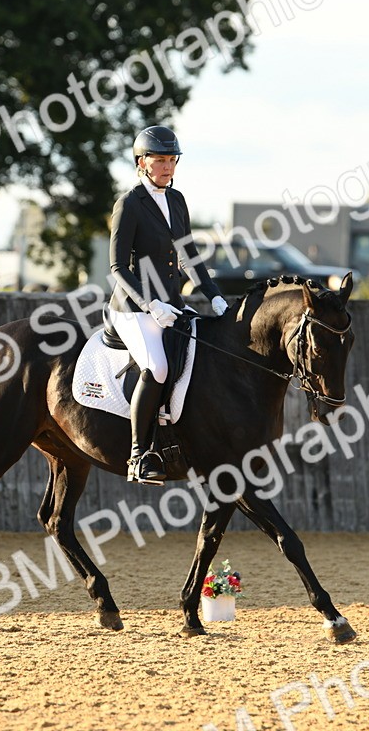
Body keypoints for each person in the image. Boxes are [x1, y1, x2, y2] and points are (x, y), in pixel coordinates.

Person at [108, 125, 228, 485]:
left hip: (172, 303)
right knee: (158, 367)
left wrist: (214, 294)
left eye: (171, 159)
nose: (167, 167)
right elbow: (117, 267)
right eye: (159, 160)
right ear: (141, 162)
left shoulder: (177, 201)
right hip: (132, 308)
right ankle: (137, 456)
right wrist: (150, 304)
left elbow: (189, 256)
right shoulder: (129, 204)